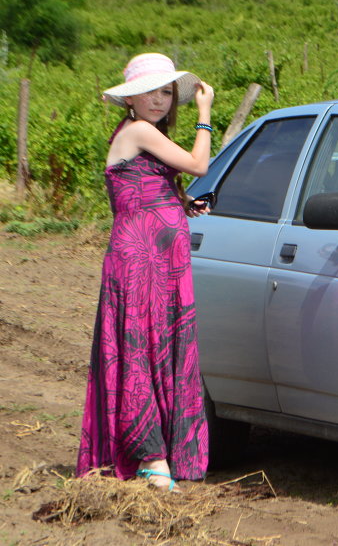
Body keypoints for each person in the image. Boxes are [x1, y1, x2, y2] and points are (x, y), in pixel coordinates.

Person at [76, 52, 215, 491]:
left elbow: (148, 188)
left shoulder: (148, 136)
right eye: (149, 91)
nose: (159, 100)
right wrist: (205, 114)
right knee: (140, 349)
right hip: (139, 265)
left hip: (165, 264)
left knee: (161, 348)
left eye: (167, 92)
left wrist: (180, 204)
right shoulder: (137, 130)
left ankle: (159, 455)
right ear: (130, 100)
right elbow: (198, 164)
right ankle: (151, 458)